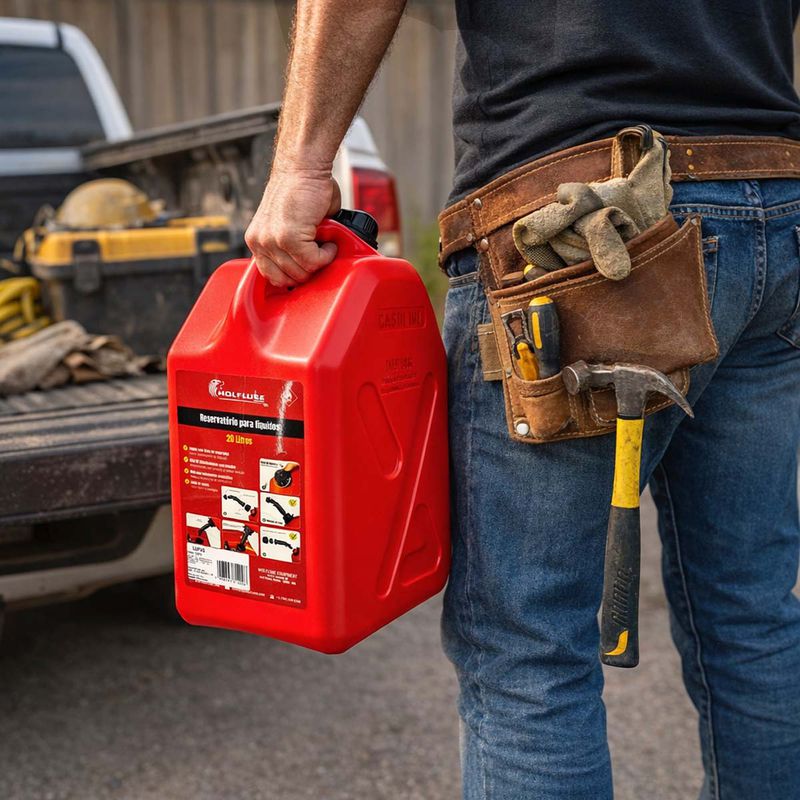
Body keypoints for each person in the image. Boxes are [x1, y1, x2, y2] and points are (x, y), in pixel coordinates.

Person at [245, 2, 800, 797]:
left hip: (574, 230)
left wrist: (300, 169)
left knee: (529, 651)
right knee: (751, 615)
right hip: (771, 204)